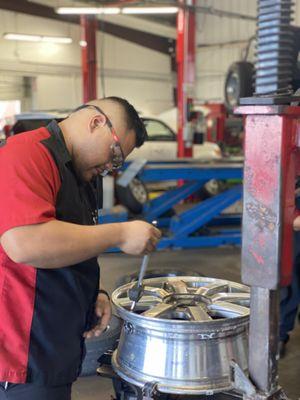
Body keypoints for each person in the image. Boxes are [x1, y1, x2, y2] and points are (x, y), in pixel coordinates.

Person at [0, 97, 161, 400]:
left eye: (118, 162)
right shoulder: (28, 153)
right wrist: (120, 233)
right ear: (96, 122)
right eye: (115, 154)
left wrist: (96, 291)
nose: (111, 168)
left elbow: (74, 240)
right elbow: (24, 243)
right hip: (21, 356)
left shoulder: (82, 175)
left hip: (56, 345)